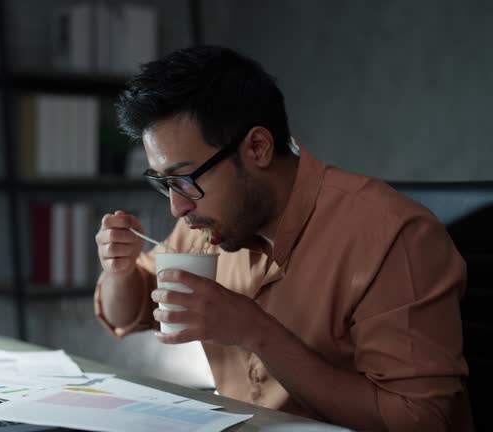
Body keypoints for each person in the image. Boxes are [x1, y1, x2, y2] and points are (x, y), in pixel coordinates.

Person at [93, 45, 473, 431]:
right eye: (164, 182)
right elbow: (132, 310)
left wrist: (254, 330)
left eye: (185, 179)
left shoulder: (392, 236)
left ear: (257, 148)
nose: (177, 207)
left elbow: (421, 421)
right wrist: (119, 273)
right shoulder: (206, 225)